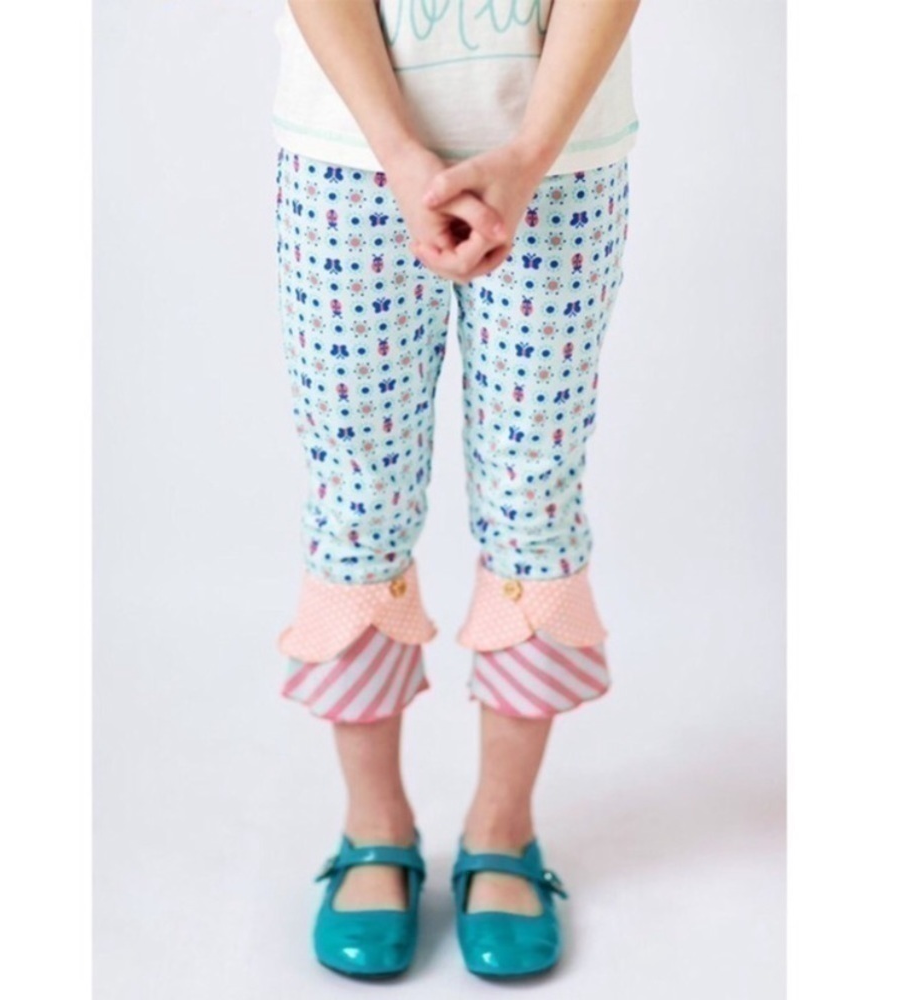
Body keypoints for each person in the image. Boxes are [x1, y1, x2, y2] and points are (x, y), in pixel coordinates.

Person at [272, 0, 640, 979]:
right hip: (348, 164)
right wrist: (398, 151)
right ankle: (373, 825)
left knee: (533, 499)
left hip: (561, 166)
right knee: (358, 503)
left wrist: (528, 152)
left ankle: (502, 829)